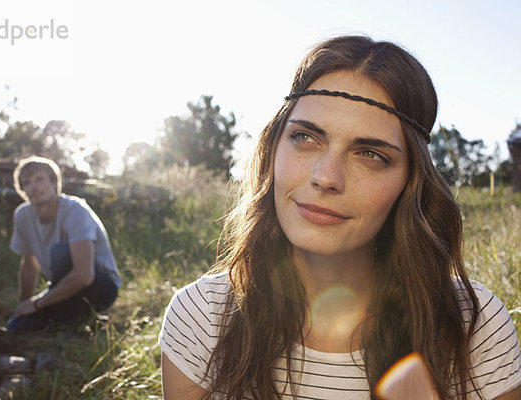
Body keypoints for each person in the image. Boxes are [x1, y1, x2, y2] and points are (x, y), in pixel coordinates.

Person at [159, 36, 521, 399]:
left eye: (371, 154)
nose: (326, 177)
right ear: (273, 149)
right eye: (305, 137)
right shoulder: (202, 316)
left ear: (410, 183)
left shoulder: (472, 327)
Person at [5, 156, 121, 334]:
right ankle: (69, 319)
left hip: (100, 288)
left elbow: (84, 275)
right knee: (16, 328)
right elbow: (30, 266)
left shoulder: (75, 211)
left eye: (39, 179)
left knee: (61, 253)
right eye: (26, 183)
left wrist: (37, 304)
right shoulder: (23, 216)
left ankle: (77, 322)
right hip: (62, 286)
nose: (33, 187)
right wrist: (25, 306)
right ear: (22, 190)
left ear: (53, 183)